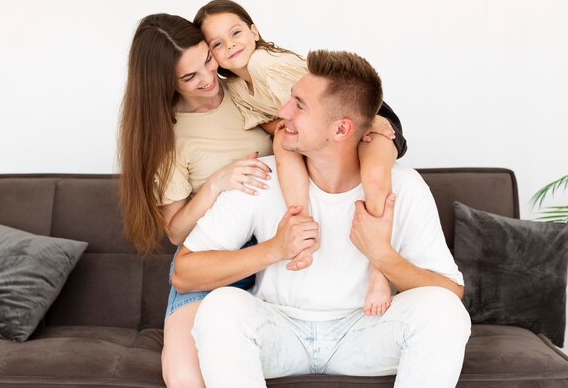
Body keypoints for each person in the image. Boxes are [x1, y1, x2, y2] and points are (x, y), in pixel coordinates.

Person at [174, 50, 471, 388]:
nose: (283, 112)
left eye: (299, 105)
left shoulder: (403, 185)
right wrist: (274, 248)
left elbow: (450, 291)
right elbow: (184, 274)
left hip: (366, 331)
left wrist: (383, 257)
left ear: (341, 129)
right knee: (220, 307)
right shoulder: (262, 177)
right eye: (290, 99)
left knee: (444, 312)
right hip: (280, 330)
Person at [193, 0, 407, 316]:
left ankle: (379, 271)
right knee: (282, 142)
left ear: (254, 31)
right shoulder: (236, 87)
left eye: (236, 32)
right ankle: (302, 227)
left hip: (369, 117)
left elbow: (329, 96)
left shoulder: (266, 63)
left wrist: (369, 121)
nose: (232, 44)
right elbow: (271, 120)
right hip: (324, 131)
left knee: (374, 177)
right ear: (213, 56)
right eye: (218, 43)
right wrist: (283, 129)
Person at [118, 13, 275, 388]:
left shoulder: (246, 85)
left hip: (276, 246)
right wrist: (216, 184)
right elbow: (175, 232)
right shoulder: (167, 135)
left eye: (208, 59)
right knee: (184, 375)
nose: (208, 79)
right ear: (164, 84)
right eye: (189, 77)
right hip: (212, 256)